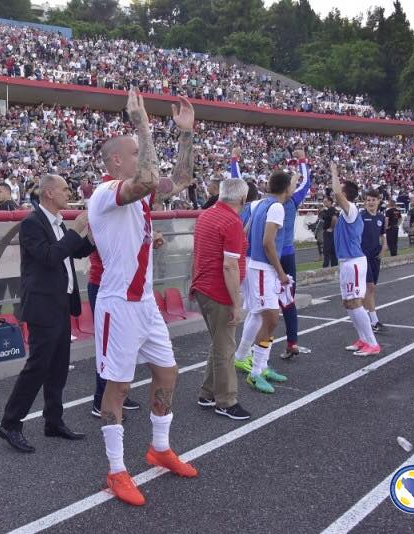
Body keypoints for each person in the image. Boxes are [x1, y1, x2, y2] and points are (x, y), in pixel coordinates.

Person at [89, 90, 198, 508]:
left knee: (167, 374)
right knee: (116, 387)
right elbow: (150, 179)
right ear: (117, 161)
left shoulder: (138, 191)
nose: (141, 156)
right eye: (135, 152)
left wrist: (185, 135)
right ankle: (116, 470)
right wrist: (142, 124)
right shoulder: (106, 194)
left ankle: (159, 447)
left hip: (144, 303)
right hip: (118, 304)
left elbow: (181, 179)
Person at [0, 174, 94, 454]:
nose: (69, 193)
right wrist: (76, 232)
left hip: (61, 302)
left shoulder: (58, 222)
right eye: (65, 189)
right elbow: (50, 257)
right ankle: (10, 423)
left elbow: (75, 251)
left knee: (59, 365)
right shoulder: (31, 223)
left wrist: (91, 234)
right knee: (37, 367)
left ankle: (53, 420)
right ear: (50, 192)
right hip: (43, 306)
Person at [191, 177, 251, 421]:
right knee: (225, 347)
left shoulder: (207, 214)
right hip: (218, 291)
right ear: (243, 199)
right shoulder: (231, 221)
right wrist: (236, 304)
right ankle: (226, 401)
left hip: (204, 287)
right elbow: (229, 266)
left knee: (219, 343)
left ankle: (207, 393)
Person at [236, 169, 294, 394]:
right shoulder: (277, 207)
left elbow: (245, 232)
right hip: (263, 268)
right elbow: (269, 242)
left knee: (259, 315)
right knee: (270, 319)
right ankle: (256, 372)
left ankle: (252, 362)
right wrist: (280, 272)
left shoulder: (257, 204)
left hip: (255, 265)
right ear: (287, 188)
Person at [330, 163, 381, 357]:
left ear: (346, 194)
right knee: (348, 303)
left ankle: (372, 343)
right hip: (346, 262)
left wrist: (335, 172)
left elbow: (336, 194)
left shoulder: (350, 209)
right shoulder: (346, 213)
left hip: (353, 262)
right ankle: (363, 339)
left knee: (356, 302)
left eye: (341, 191)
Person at [279, 150, 312, 359]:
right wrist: (302, 161)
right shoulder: (292, 201)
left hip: (266, 257)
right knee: (288, 302)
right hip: (287, 255)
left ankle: (255, 349)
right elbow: (306, 182)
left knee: (264, 305)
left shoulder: (265, 203)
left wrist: (235, 160)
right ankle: (292, 342)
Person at [0, 182, 21, 317]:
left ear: (8, 193)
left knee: (0, 296)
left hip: (8, 259)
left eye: (0, 191)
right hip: (6, 259)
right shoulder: (10, 206)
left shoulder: (7, 207)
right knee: (0, 295)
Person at [360, 189, 387, 333]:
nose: (371, 202)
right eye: (368, 200)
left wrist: (384, 247)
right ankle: (374, 321)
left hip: (375, 256)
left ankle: (365, 317)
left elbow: (383, 235)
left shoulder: (381, 217)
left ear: (378, 201)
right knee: (369, 287)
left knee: (371, 288)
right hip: (363, 256)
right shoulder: (360, 216)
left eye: (373, 200)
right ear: (365, 202)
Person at [321, 196, 338, 267]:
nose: (324, 203)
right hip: (331, 232)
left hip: (329, 233)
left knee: (327, 250)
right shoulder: (329, 210)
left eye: (326, 201)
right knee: (332, 250)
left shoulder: (331, 209)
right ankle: (334, 266)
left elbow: (334, 219)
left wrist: (331, 228)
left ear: (330, 201)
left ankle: (326, 266)